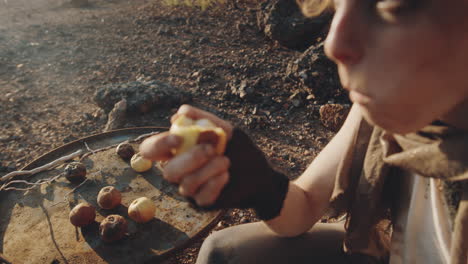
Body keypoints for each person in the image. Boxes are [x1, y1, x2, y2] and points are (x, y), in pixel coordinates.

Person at [140, 0, 468, 263]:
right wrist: (259, 185)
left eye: (389, 5)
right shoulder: (386, 109)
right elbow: (306, 206)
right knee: (224, 252)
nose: (335, 44)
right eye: (339, 6)